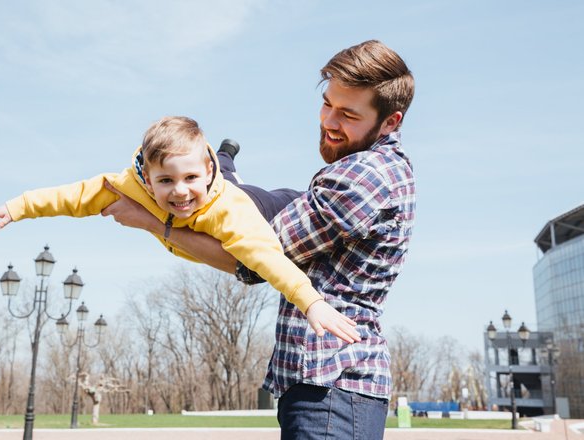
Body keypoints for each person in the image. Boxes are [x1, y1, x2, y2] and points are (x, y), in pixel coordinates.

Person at [101, 40, 415, 440]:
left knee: (246, 199)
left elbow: (250, 260)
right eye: (327, 103)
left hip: (331, 386)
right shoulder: (376, 170)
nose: (328, 120)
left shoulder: (362, 177)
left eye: (348, 114)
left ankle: (225, 172)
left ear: (390, 121)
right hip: (330, 389)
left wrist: (152, 221)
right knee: (253, 198)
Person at [0, 116, 360, 344]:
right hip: (212, 177)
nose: (179, 192)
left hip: (263, 205)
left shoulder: (231, 212)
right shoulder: (129, 184)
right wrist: (17, 207)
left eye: (190, 177)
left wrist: (311, 301)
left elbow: (267, 259)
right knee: (218, 174)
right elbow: (72, 196)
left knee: (266, 194)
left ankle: (225, 158)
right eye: (165, 181)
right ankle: (225, 155)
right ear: (146, 175)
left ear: (204, 172)